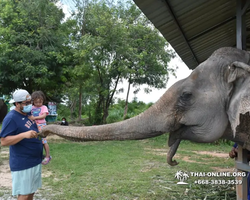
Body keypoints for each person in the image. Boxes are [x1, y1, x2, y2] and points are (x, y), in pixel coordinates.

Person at [0, 89, 43, 200]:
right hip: (23, 163)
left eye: (30, 102)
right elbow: (3, 141)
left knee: (31, 191)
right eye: (26, 103)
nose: (30, 105)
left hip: (34, 160)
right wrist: (23, 135)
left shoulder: (28, 114)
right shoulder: (11, 118)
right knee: (24, 195)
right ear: (17, 104)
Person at [28, 91, 51, 165]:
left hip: (41, 126)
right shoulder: (31, 108)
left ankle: (47, 156)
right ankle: (38, 156)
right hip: (34, 126)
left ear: (43, 101)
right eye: (36, 102)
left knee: (44, 141)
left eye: (40, 102)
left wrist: (34, 118)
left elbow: (44, 116)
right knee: (35, 141)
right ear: (33, 101)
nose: (38, 104)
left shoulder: (44, 107)